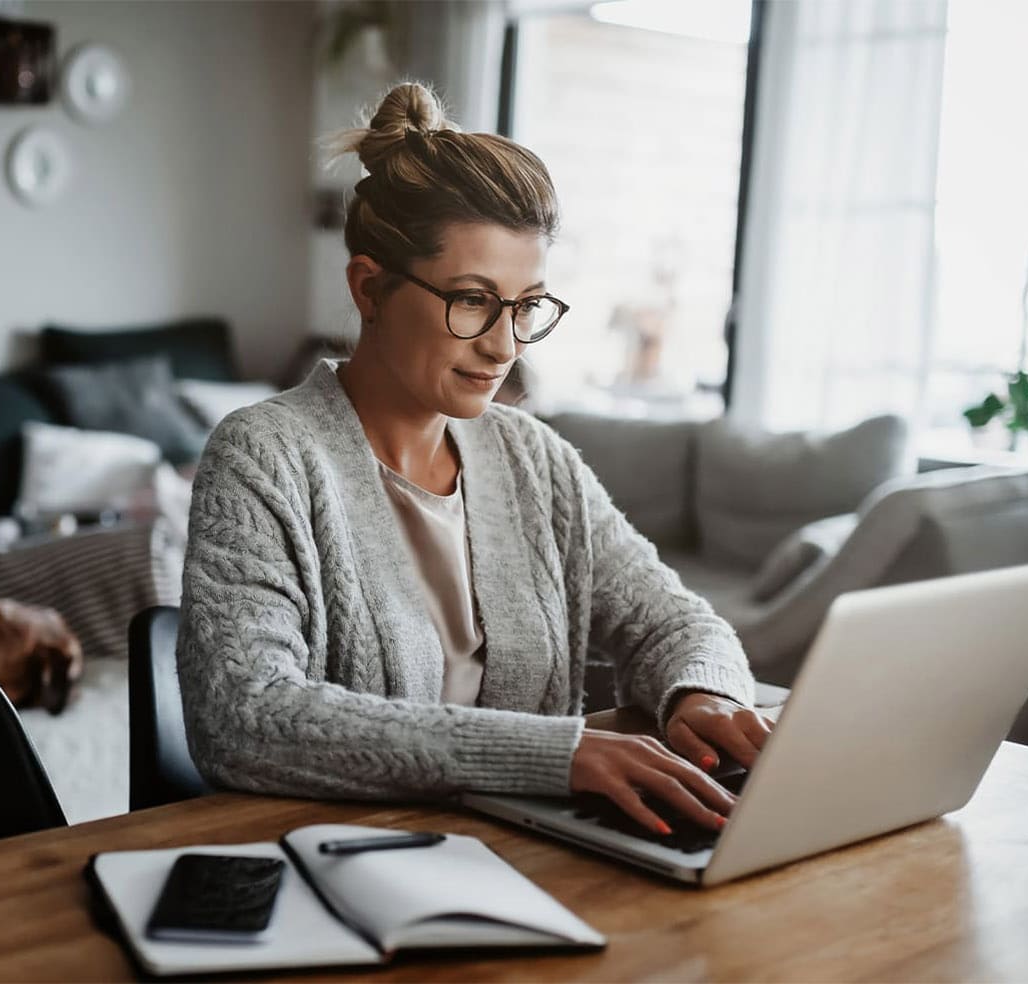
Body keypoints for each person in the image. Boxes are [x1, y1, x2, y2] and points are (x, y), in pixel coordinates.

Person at [176, 82, 771, 837]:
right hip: (345, 866)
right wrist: (558, 755)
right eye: (472, 301)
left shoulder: (534, 458)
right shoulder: (265, 457)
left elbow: (673, 622)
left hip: (533, 854)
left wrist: (703, 694)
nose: (504, 345)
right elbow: (245, 715)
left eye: (526, 306)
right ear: (370, 287)